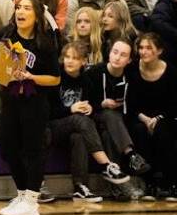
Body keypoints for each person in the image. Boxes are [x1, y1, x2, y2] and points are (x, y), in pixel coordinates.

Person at [0, 0, 61, 215]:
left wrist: (31, 76)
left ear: (36, 15)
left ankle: (32, 200)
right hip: (11, 100)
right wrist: (5, 73)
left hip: (35, 102)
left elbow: (55, 79)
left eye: (26, 9)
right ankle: (22, 195)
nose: (20, 12)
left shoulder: (45, 43)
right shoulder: (6, 36)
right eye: (18, 8)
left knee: (33, 149)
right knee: (8, 146)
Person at [47, 42, 130, 203]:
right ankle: (106, 165)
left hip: (77, 128)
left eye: (75, 58)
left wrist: (90, 108)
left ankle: (80, 188)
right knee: (79, 120)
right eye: (67, 57)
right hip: (54, 127)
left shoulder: (86, 80)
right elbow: (48, 112)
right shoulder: (55, 77)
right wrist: (71, 109)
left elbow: (93, 105)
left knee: (79, 136)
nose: (70, 61)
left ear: (83, 62)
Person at [86, 39, 151, 179]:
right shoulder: (94, 73)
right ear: (109, 53)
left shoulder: (131, 78)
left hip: (118, 122)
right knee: (109, 113)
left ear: (128, 60)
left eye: (123, 55)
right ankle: (131, 154)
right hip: (95, 117)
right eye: (115, 52)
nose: (117, 57)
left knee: (109, 134)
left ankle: (117, 184)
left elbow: (133, 107)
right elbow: (85, 102)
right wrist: (101, 104)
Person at [127, 33, 177, 200]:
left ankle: (169, 183)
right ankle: (149, 184)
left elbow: (173, 104)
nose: (143, 51)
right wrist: (145, 119)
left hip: (165, 116)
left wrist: (158, 119)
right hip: (140, 116)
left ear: (159, 51)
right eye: (141, 48)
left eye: (149, 48)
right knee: (139, 130)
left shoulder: (171, 71)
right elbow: (130, 103)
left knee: (163, 131)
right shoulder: (132, 69)